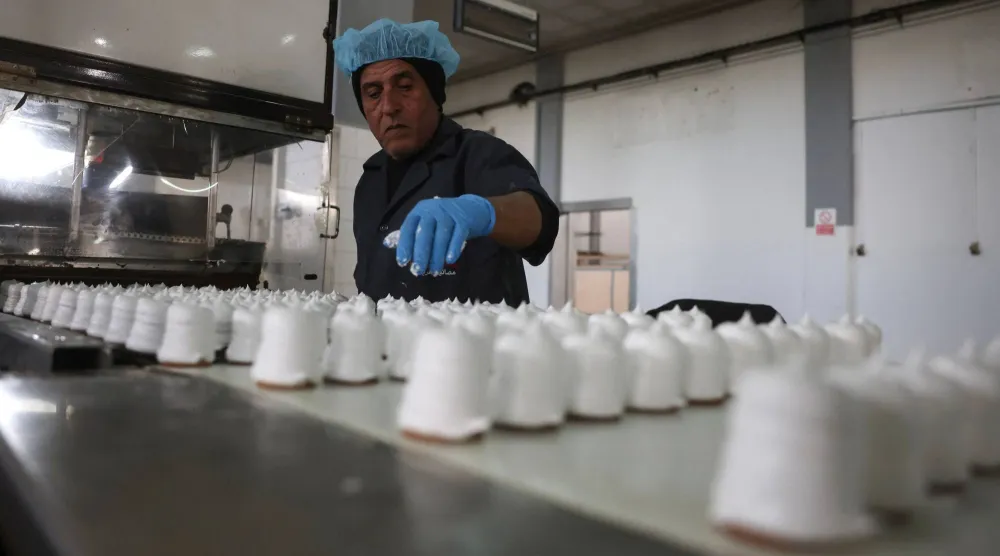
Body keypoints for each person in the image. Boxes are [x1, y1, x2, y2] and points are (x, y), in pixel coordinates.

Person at [333, 19, 559, 306]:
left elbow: (539, 222)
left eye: (404, 86)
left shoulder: (478, 152)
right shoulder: (371, 178)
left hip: (473, 347)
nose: (389, 106)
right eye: (374, 94)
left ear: (434, 94)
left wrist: (483, 212)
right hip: (386, 347)